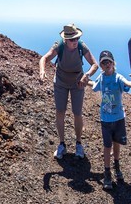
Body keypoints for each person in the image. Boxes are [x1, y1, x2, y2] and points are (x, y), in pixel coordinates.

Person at [39, 24, 95, 160]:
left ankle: (79, 144)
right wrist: (42, 71)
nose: (75, 42)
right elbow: (44, 58)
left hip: (78, 81)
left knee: (77, 112)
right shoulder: (59, 46)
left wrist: (86, 75)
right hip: (61, 81)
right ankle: (62, 144)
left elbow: (94, 64)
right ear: (65, 40)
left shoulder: (82, 46)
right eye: (72, 40)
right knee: (60, 111)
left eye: (77, 38)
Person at [89, 51, 131, 191]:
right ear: (101, 65)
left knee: (116, 143)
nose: (107, 65)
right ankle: (107, 173)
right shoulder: (101, 78)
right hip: (105, 119)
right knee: (107, 146)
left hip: (118, 118)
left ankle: (116, 166)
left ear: (113, 63)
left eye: (108, 62)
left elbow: (126, 83)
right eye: (104, 62)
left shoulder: (118, 77)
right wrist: (82, 79)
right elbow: (93, 86)